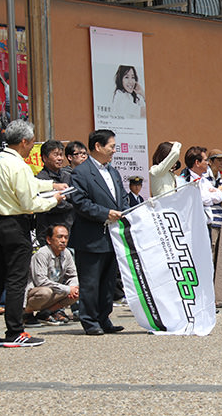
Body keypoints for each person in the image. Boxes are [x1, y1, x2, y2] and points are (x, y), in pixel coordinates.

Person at [0, 120, 66, 348]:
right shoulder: (19, 165)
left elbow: (28, 184)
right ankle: (15, 331)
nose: (31, 146)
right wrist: (54, 201)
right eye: (31, 142)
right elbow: (29, 202)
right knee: (16, 280)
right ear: (24, 141)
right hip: (15, 225)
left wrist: (51, 186)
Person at [69, 129, 129, 336]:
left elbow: (123, 197)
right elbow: (80, 202)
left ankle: (104, 318)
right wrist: (105, 213)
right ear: (97, 146)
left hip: (113, 236)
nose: (114, 150)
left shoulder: (113, 172)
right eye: (111, 146)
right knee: (90, 282)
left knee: (108, 282)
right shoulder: (81, 173)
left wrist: (124, 211)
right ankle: (89, 320)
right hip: (91, 237)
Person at [23, 225, 79, 327]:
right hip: (35, 291)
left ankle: (45, 313)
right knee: (46, 292)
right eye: (59, 237)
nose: (63, 241)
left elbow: (72, 275)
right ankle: (26, 313)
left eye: (66, 237)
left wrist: (73, 288)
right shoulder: (42, 254)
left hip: (54, 290)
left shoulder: (66, 253)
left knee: (78, 291)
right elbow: (40, 281)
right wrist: (67, 289)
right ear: (49, 240)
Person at [182, 147, 222, 267]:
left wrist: (214, 193)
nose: (207, 163)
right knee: (197, 259)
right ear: (197, 163)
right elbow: (202, 198)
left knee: (208, 259)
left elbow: (219, 197)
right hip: (194, 225)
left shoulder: (203, 180)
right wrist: (211, 194)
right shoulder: (186, 179)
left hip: (207, 224)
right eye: (205, 160)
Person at [35, 140, 75, 247]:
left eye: (61, 155)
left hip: (69, 229)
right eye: (56, 155)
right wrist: (70, 204)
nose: (60, 158)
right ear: (45, 158)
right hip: (49, 231)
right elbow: (52, 204)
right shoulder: (41, 179)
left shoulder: (67, 176)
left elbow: (74, 196)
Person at [203, 149, 222, 267]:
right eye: (219, 160)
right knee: (210, 254)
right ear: (210, 161)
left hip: (219, 221)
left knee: (217, 257)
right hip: (209, 222)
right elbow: (205, 198)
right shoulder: (204, 178)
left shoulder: (220, 180)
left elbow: (221, 206)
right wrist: (218, 191)